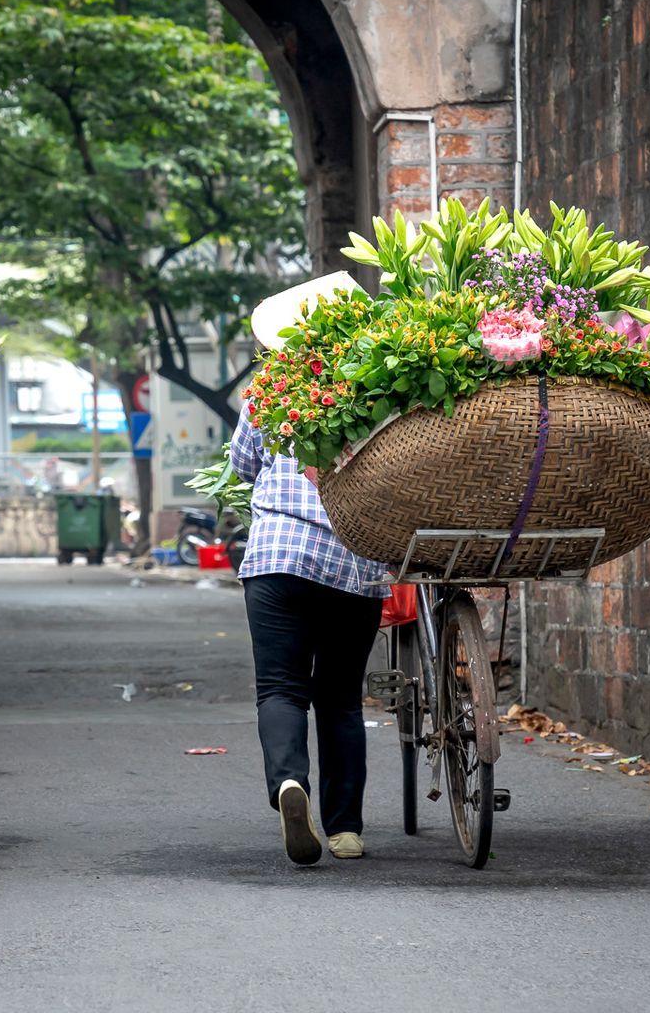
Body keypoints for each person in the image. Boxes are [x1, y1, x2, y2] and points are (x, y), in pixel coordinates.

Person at [230, 273, 390, 865]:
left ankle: (288, 784)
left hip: (276, 556)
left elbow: (243, 464)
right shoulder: (380, 387)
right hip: (356, 559)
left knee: (280, 687)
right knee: (342, 700)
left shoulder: (269, 389)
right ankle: (346, 828)